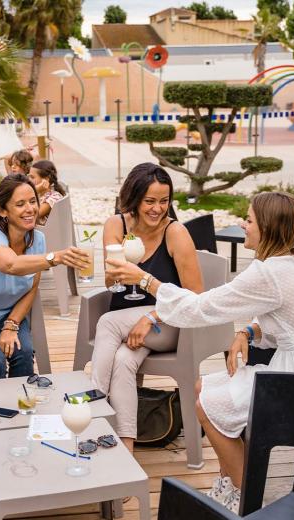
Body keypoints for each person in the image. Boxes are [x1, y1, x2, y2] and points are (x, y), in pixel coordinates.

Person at [106, 191, 294, 514]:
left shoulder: (269, 273)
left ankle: (246, 499)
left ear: (268, 228)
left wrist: (147, 280)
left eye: (249, 220)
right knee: (202, 388)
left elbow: (200, 308)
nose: (243, 225)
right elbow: (289, 324)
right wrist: (247, 331)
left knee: (210, 402)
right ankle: (231, 482)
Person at [90, 163, 203, 454]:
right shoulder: (117, 225)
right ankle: (126, 450)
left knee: (106, 323)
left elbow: (195, 295)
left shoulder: (175, 232)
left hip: (168, 325)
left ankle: (92, 406)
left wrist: (151, 315)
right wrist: (118, 265)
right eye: (149, 201)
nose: (157, 209)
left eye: (164, 201)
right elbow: (109, 281)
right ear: (135, 198)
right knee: (124, 361)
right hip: (130, 324)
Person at [0, 174, 90, 380]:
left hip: (5, 315)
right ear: (3, 210)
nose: (30, 209)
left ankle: (23, 407)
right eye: (20, 204)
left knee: (23, 354)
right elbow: (11, 264)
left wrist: (11, 324)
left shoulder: (38, 239)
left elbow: (31, 288)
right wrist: (56, 257)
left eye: (33, 201)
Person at [27, 160, 66, 226]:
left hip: (43, 233)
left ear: (46, 179)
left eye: (32, 177)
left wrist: (35, 190)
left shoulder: (54, 197)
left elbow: (32, 215)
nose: (29, 180)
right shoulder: (39, 194)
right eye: (29, 176)